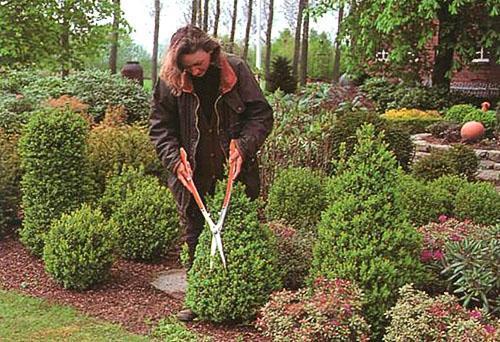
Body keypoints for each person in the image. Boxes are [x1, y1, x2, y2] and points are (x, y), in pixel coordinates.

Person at [149, 25, 273, 321]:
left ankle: (241, 300)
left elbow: (261, 114)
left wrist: (244, 146)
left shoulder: (237, 69)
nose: (195, 71)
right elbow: (160, 126)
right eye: (188, 67)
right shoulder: (170, 80)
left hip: (234, 172)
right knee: (195, 234)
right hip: (192, 172)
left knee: (236, 231)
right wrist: (173, 160)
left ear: (212, 52)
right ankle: (197, 298)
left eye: (199, 64)